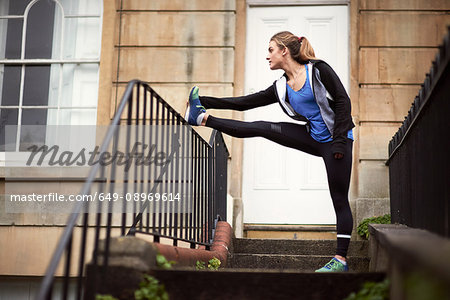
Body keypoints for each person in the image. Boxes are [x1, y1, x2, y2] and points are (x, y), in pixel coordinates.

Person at [185, 31, 355, 272]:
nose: (267, 56)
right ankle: (202, 117)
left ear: (284, 51)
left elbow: (342, 101)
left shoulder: (318, 70)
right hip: (312, 137)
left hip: (338, 142)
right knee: (262, 127)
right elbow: (246, 102)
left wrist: (339, 141)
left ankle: (341, 260)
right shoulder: (281, 87)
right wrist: (204, 99)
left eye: (271, 50)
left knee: (339, 198)